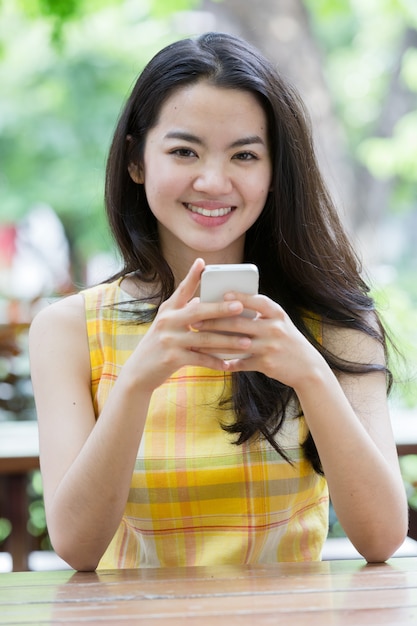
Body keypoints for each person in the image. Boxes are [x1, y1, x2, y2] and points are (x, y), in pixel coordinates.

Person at [29, 32, 408, 572]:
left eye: (245, 155)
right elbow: (76, 546)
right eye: (184, 151)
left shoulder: (334, 319)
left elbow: (381, 539)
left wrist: (310, 374)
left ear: (275, 172)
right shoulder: (67, 329)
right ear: (136, 161)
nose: (213, 181)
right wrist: (139, 378)